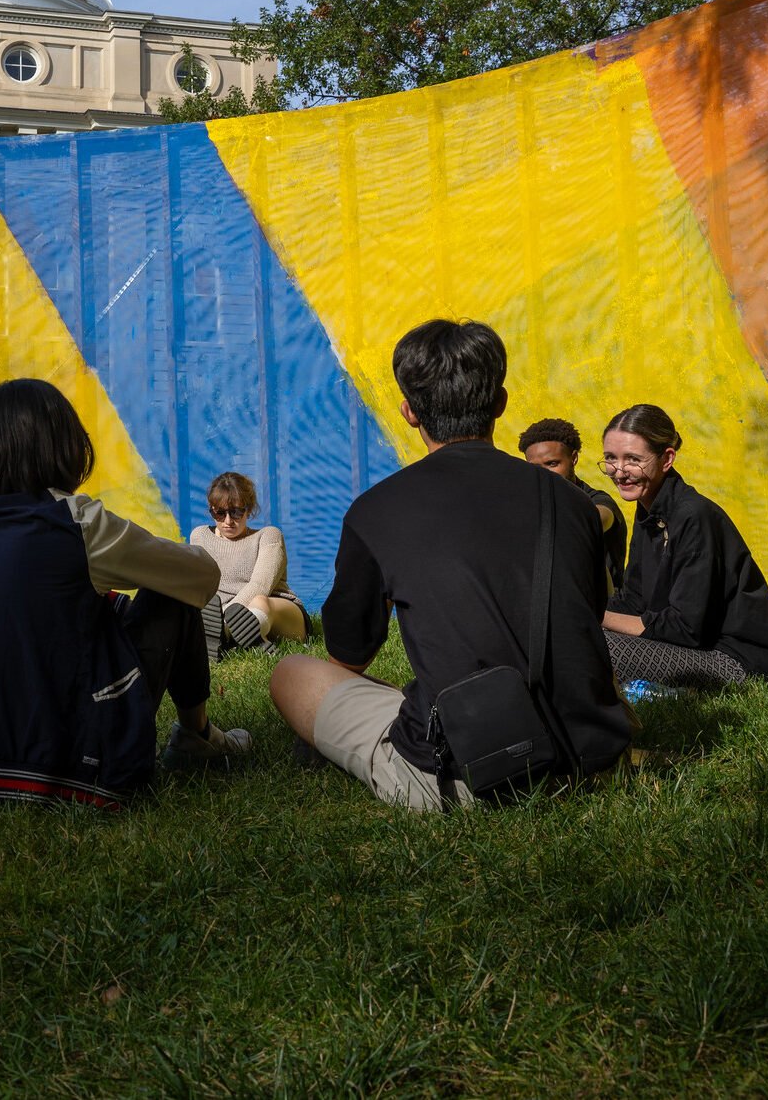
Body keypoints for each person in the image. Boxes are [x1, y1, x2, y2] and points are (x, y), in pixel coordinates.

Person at [269, 319, 630, 810]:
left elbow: (348, 659)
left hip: (474, 774)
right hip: (591, 755)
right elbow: (587, 623)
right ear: (500, 403)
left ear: (409, 412)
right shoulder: (571, 504)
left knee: (292, 672)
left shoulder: (377, 510)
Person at [0, 378, 251, 806]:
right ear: (62, 448)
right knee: (171, 590)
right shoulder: (73, 519)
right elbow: (200, 576)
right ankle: (196, 738)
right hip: (76, 771)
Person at [600, 404, 768, 687]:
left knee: (593, 644)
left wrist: (595, 616)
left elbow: (685, 628)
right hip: (693, 648)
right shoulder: (648, 507)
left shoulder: (694, 515)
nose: (619, 471)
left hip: (735, 661)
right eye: (610, 458)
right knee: (570, 629)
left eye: (633, 459)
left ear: (666, 459)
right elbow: (633, 600)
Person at [190, 472, 310, 661]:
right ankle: (244, 638)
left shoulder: (269, 536)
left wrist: (220, 622)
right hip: (222, 615)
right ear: (211, 510)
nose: (228, 521)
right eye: (219, 513)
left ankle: (225, 636)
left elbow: (260, 586)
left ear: (249, 510)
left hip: (280, 612)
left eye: (236, 512)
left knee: (260, 601)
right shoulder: (200, 536)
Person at [518, 417, 628, 594]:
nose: (543, 474)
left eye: (552, 463)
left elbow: (594, 521)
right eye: (534, 467)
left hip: (603, 611)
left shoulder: (598, 501)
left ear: (574, 458)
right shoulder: (529, 504)